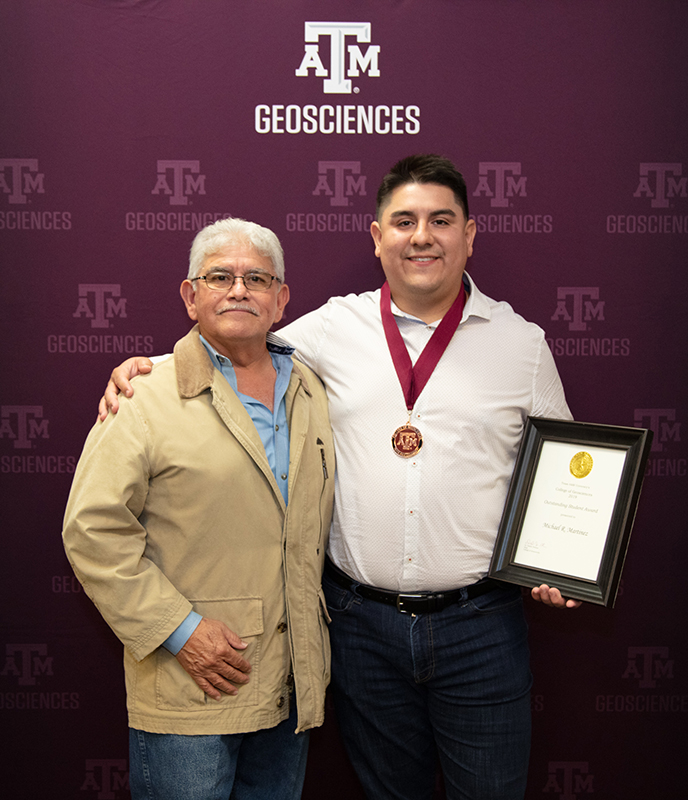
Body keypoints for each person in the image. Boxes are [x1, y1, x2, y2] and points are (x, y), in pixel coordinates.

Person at [98, 156, 577, 800]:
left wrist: (564, 560)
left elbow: (565, 470)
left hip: (480, 628)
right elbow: (234, 339)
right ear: (377, 237)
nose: (422, 236)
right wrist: (145, 368)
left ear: (470, 234)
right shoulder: (327, 328)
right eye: (403, 221)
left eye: (441, 220)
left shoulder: (523, 344)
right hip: (360, 627)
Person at [63, 217, 335, 800]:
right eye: (220, 276)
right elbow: (92, 531)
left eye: (257, 278)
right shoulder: (145, 396)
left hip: (290, 684)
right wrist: (179, 632)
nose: (239, 289)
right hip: (191, 687)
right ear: (191, 296)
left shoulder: (311, 389)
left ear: (281, 299)